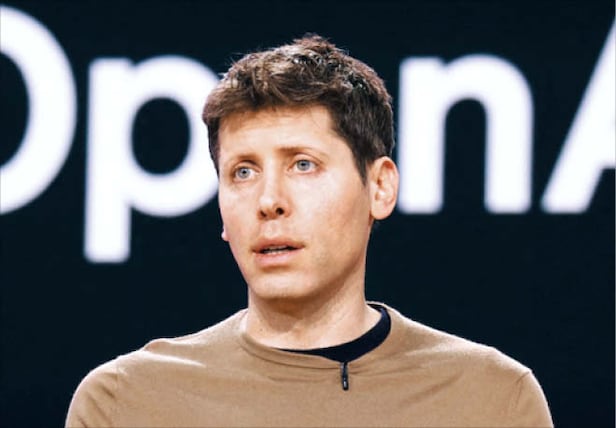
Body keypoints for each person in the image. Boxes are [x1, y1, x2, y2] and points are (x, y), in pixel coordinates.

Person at [66, 34, 553, 427]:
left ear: (380, 188)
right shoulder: (127, 402)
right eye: (243, 172)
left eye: (303, 164)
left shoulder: (490, 400)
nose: (269, 201)